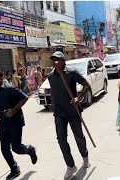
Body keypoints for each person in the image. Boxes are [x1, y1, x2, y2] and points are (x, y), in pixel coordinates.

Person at [48, 51, 91, 180]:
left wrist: (79, 97)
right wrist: (52, 104)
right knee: (61, 139)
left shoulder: (71, 73)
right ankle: (70, 165)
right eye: (53, 60)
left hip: (73, 111)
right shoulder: (51, 76)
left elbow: (86, 85)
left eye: (57, 59)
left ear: (63, 60)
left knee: (79, 137)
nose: (55, 62)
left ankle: (85, 157)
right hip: (59, 113)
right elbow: (53, 93)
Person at [0, 70, 37, 180]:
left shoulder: (10, 88)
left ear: (1, 78)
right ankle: (14, 169)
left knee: (16, 148)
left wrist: (14, 110)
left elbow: (25, 97)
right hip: (3, 124)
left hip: (15, 122)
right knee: (4, 149)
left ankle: (30, 150)